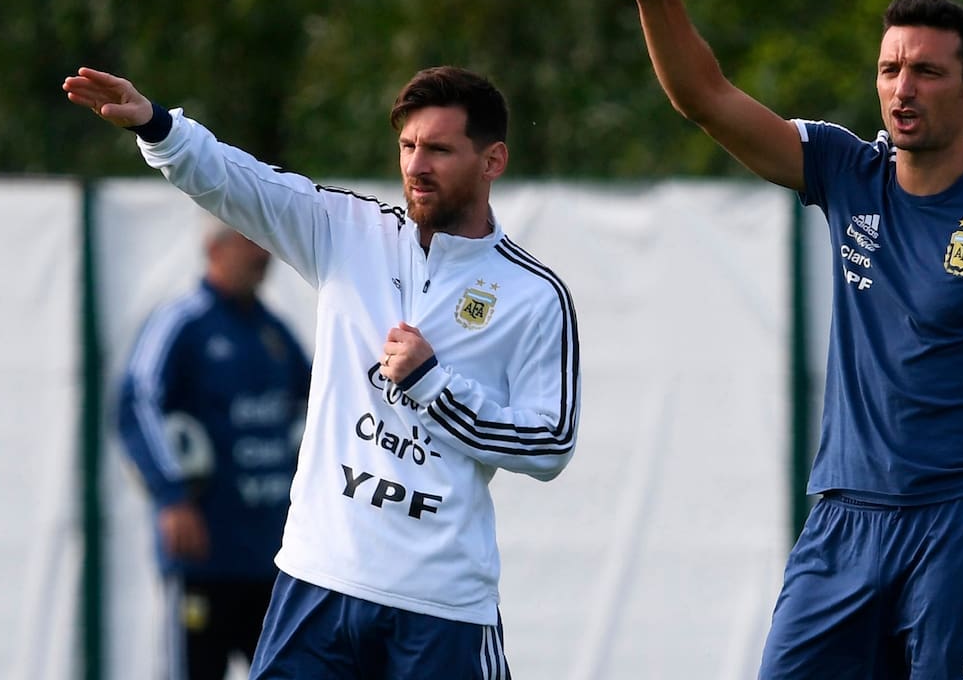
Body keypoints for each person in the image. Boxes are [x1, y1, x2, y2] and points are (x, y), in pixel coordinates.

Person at [595, 0, 963, 677]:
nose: (902, 88)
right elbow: (707, 101)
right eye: (889, 69)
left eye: (926, 71)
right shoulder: (846, 171)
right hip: (842, 523)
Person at [65, 64, 581, 679]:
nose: (417, 165)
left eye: (439, 149)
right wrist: (156, 126)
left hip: (440, 605)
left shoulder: (533, 294)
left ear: (492, 160)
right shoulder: (350, 232)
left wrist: (433, 388)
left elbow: (549, 443)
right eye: (408, 146)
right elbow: (239, 183)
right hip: (319, 581)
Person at [116, 220, 312, 680]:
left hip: (275, 556)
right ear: (214, 248)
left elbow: (322, 403)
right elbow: (136, 406)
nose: (263, 254)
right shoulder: (183, 323)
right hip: (205, 552)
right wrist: (172, 496)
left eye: (266, 243)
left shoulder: (274, 332)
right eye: (250, 241)